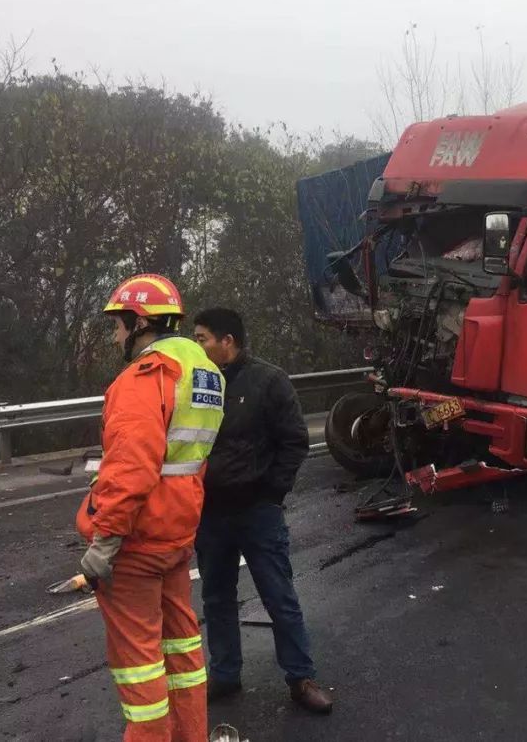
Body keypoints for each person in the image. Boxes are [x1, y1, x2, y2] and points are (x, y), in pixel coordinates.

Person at [76, 274, 225, 741]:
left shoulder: (147, 376)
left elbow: (131, 470)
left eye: (119, 326)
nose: (117, 336)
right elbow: (188, 461)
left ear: (140, 322)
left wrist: (105, 541)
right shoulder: (205, 374)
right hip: (177, 533)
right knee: (183, 650)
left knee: (139, 667)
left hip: (137, 542)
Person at [192, 307, 333, 714]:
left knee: (278, 595)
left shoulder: (269, 381)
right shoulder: (199, 386)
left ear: (227, 341)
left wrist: (271, 493)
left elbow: (294, 442)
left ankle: (300, 678)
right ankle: (225, 674)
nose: (197, 346)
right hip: (211, 514)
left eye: (202, 338)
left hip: (257, 512)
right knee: (217, 598)